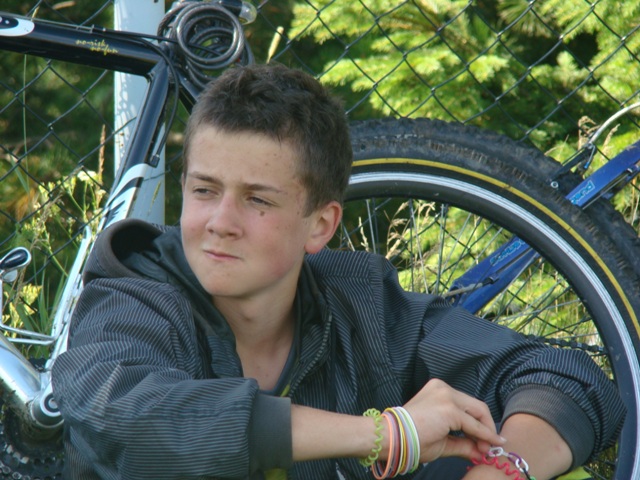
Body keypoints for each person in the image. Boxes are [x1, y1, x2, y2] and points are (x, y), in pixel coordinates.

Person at [51, 63, 625, 480]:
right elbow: (126, 418)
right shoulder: (134, 294)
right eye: (204, 190)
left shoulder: (360, 302)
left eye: (257, 200)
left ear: (320, 225)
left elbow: (566, 376)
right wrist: (386, 434)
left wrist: (505, 468)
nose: (220, 222)